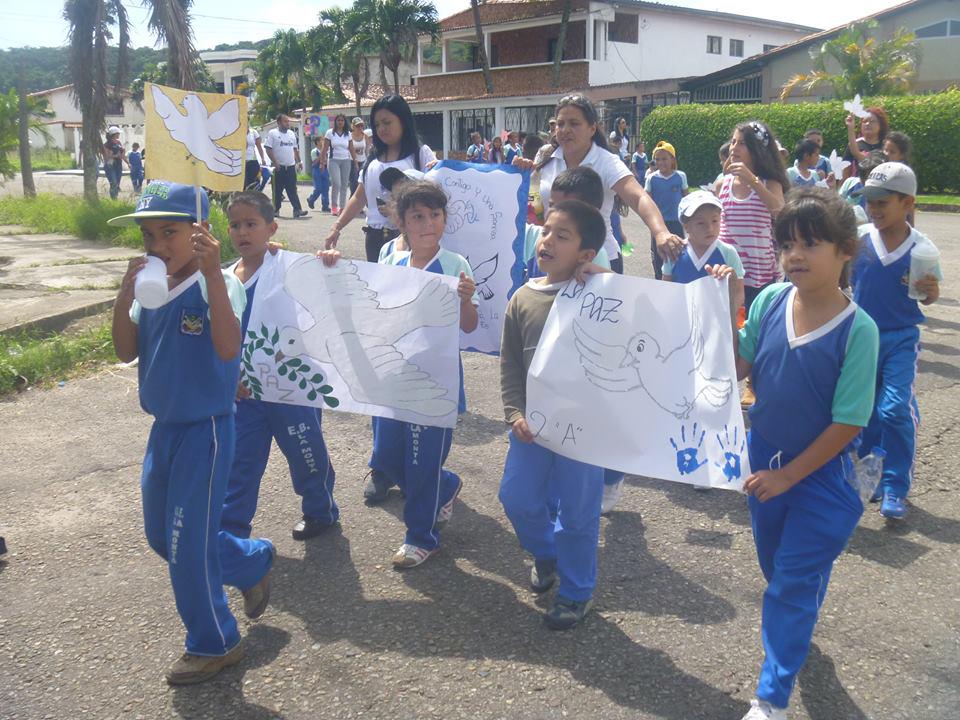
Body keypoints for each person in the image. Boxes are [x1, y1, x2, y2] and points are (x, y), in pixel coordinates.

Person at [716, 186, 879, 720]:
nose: (794, 256)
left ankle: (771, 698)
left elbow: (849, 421)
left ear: (845, 250)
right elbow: (737, 369)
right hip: (763, 460)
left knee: (790, 582)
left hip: (823, 477)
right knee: (778, 568)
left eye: (810, 243)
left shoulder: (859, 330)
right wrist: (724, 307)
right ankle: (800, 618)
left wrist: (789, 476)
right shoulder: (769, 301)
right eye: (786, 244)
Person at [108, 181, 275, 685]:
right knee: (163, 536)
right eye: (148, 235)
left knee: (186, 546)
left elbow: (227, 348)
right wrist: (124, 294)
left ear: (199, 232)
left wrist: (212, 276)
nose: (158, 245)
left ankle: (215, 641)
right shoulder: (151, 286)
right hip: (164, 430)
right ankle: (249, 562)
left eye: (170, 233)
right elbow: (125, 351)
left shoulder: (218, 283)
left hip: (207, 431)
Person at [320, 180, 478, 567]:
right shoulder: (390, 257)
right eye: (417, 217)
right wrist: (333, 267)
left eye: (435, 215)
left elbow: (470, 326)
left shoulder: (455, 265)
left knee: (422, 461)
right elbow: (370, 305)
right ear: (401, 223)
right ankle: (446, 486)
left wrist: (465, 300)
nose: (428, 224)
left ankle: (421, 537)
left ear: (445, 219)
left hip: (434, 384)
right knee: (388, 456)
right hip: (390, 379)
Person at [499, 199, 607, 631]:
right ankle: (546, 553)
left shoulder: (599, 295)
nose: (547, 240)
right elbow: (509, 363)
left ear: (585, 254)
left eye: (562, 236)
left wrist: (604, 277)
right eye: (545, 231)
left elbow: (642, 319)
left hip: (586, 431)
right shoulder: (522, 297)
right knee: (517, 498)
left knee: (579, 515)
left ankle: (577, 591)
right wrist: (513, 413)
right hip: (532, 426)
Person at [221, 191, 340, 541]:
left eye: (251, 224)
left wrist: (329, 263)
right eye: (235, 225)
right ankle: (231, 530)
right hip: (245, 393)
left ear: (271, 228)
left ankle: (320, 511)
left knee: (307, 454)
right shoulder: (222, 280)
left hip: (292, 390)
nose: (243, 232)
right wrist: (227, 378)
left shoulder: (288, 268)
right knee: (239, 462)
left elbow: (326, 292)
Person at [851, 163, 941, 521]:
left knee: (894, 409)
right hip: (862, 340)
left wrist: (931, 291)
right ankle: (871, 475)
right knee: (866, 412)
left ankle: (895, 486)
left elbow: (928, 296)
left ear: (908, 203)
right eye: (869, 201)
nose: (873, 209)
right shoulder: (859, 240)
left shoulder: (922, 249)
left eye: (882, 202)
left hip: (901, 339)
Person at [521, 95, 682, 282]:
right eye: (560, 124)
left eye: (574, 123)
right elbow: (531, 200)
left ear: (592, 128)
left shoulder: (607, 162)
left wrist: (661, 232)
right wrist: (519, 172)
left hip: (598, 262)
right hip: (554, 259)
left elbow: (639, 197)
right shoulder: (545, 156)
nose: (565, 130)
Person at [324, 94, 437, 262]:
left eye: (387, 122)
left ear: (403, 121)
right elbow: (359, 197)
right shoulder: (372, 158)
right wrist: (337, 226)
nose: (381, 129)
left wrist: (440, 171)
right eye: (377, 124)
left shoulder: (420, 154)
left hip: (409, 241)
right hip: (374, 239)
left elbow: (434, 201)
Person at [715, 120, 787, 311]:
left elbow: (781, 214)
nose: (734, 147)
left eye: (742, 143)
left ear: (756, 150)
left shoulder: (770, 183)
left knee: (756, 324)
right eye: (733, 142)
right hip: (727, 272)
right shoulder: (722, 184)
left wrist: (753, 181)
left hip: (759, 274)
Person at [522, 166, 611, 280]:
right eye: (552, 206)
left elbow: (613, 286)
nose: (556, 214)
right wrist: (514, 178)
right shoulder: (535, 236)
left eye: (562, 236)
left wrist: (605, 275)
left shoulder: (596, 258)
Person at [663, 190, 744, 287]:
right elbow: (665, 289)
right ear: (686, 226)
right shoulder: (674, 252)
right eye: (700, 223)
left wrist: (732, 280)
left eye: (714, 220)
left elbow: (739, 293)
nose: (710, 228)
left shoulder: (728, 252)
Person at [644, 140, 688, 279]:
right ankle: (659, 280)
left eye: (664, 159)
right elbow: (647, 202)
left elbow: (686, 199)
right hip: (659, 224)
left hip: (676, 223)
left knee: (678, 253)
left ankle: (678, 280)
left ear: (672, 159)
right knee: (659, 257)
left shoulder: (680, 176)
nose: (661, 162)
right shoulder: (651, 179)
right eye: (657, 159)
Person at [264, 114, 307, 218]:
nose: (288, 123)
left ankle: (297, 210)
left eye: (288, 121)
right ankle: (275, 210)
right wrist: (275, 162)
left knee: (292, 189)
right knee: (277, 190)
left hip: (290, 166)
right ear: (279, 123)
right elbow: (268, 148)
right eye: (285, 121)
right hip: (279, 166)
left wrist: (299, 161)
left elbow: (295, 149)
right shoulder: (273, 133)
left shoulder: (291, 134)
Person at [839, 150, 885, 226]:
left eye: (871, 176)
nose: (866, 180)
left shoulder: (885, 193)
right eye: (863, 176)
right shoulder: (850, 183)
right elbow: (838, 206)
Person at [844, 106, 889, 177]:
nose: (867, 124)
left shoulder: (887, 145)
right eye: (865, 121)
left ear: (881, 125)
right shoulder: (854, 144)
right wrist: (850, 127)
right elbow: (846, 171)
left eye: (872, 121)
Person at [324, 114, 352, 215]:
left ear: (345, 122)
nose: (340, 122)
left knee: (344, 184)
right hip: (333, 160)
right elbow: (325, 148)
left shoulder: (348, 134)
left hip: (346, 160)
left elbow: (351, 148)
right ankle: (334, 206)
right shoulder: (330, 133)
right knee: (336, 183)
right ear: (335, 122)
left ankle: (342, 207)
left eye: (342, 120)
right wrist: (322, 161)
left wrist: (356, 161)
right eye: (338, 120)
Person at [349, 116, 372, 196]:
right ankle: (352, 198)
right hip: (352, 161)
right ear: (353, 126)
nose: (360, 127)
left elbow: (367, 150)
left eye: (361, 125)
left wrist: (368, 161)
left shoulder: (365, 136)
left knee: (363, 181)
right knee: (354, 182)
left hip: (363, 161)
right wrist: (355, 162)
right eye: (357, 126)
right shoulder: (349, 136)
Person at [307, 136, 331, 212]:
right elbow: (314, 162)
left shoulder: (327, 150)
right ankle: (311, 199)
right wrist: (321, 155)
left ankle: (325, 205)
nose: (323, 142)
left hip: (325, 170)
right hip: (317, 170)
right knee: (318, 188)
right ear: (317, 142)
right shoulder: (314, 151)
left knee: (325, 188)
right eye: (321, 140)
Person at [101, 126, 126, 200]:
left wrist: (128, 162)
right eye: (118, 133)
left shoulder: (118, 143)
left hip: (118, 164)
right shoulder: (107, 145)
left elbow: (122, 155)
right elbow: (106, 156)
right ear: (114, 134)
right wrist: (115, 155)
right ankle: (114, 199)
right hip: (110, 165)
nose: (119, 134)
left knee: (117, 183)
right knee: (113, 182)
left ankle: (115, 197)